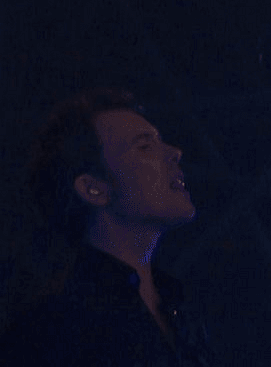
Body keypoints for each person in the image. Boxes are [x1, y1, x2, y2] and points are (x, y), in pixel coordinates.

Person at [0, 88, 216, 366]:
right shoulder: (54, 328)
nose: (175, 152)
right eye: (144, 146)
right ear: (93, 188)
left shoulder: (180, 310)